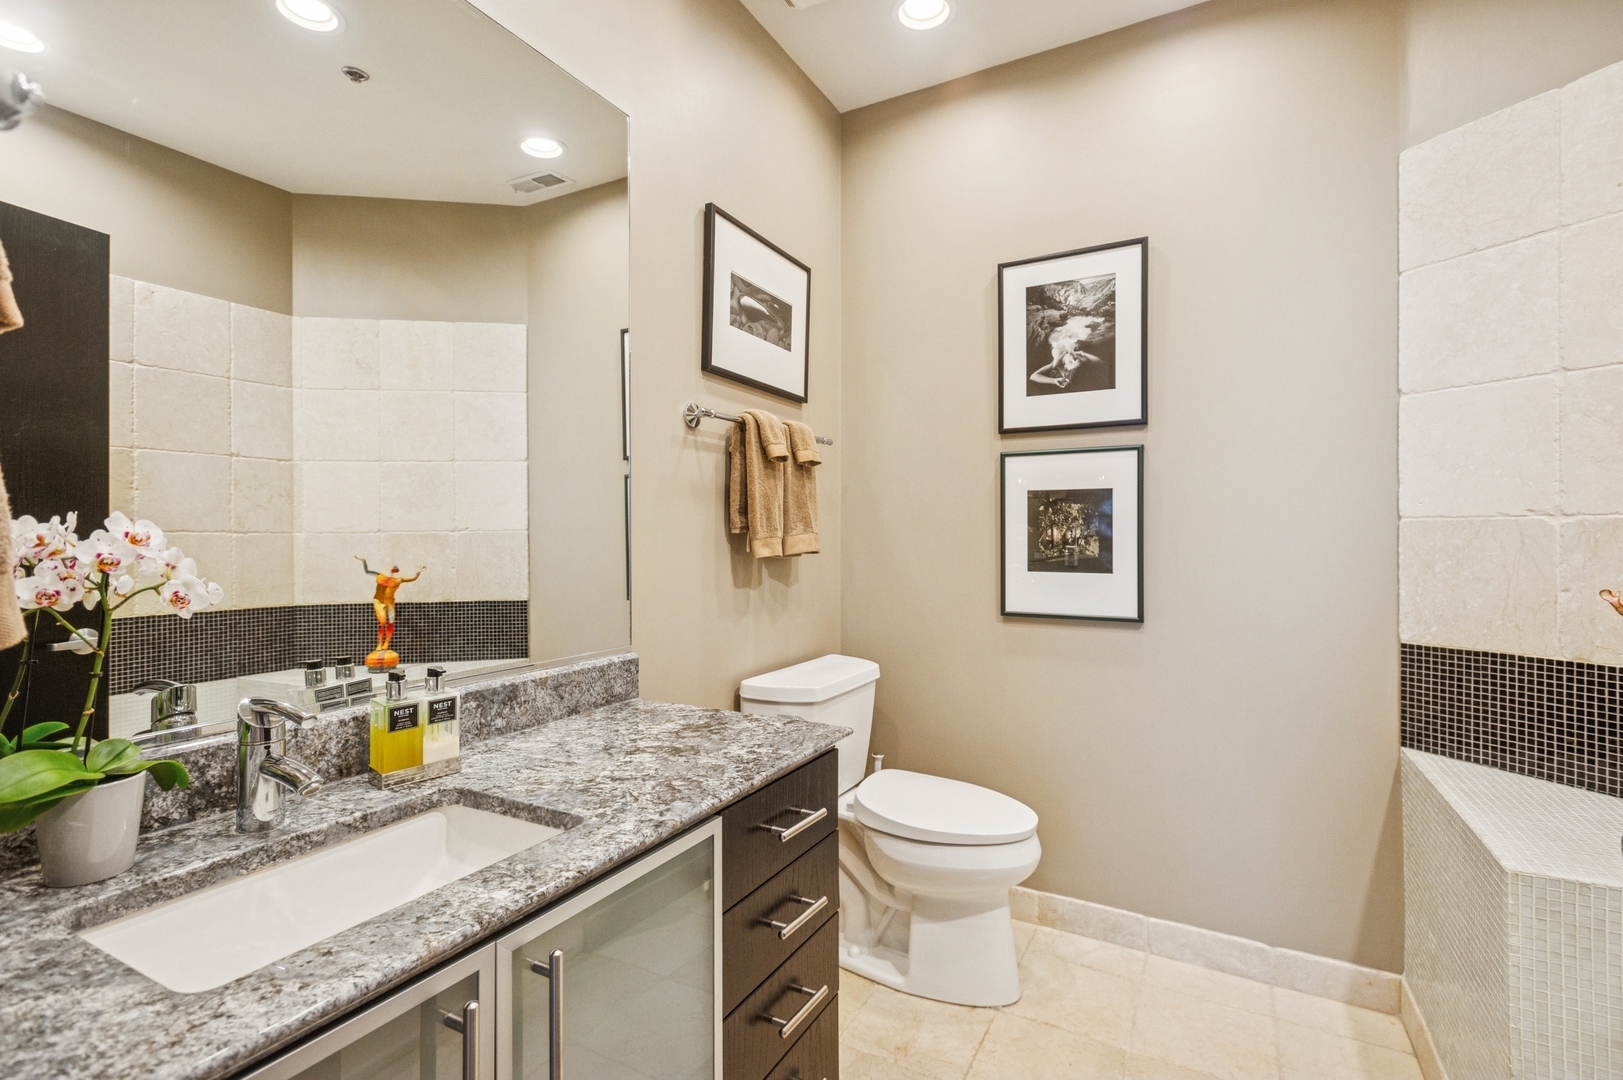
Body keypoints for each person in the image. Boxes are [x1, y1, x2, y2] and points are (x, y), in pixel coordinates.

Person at [357, 558, 424, 656]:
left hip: (389, 602)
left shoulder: (397, 580)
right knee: (383, 622)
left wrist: (418, 572)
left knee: (391, 622)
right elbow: (367, 571)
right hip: (378, 601)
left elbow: (413, 578)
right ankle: (380, 643)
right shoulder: (380, 576)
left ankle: (386, 642)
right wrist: (364, 561)